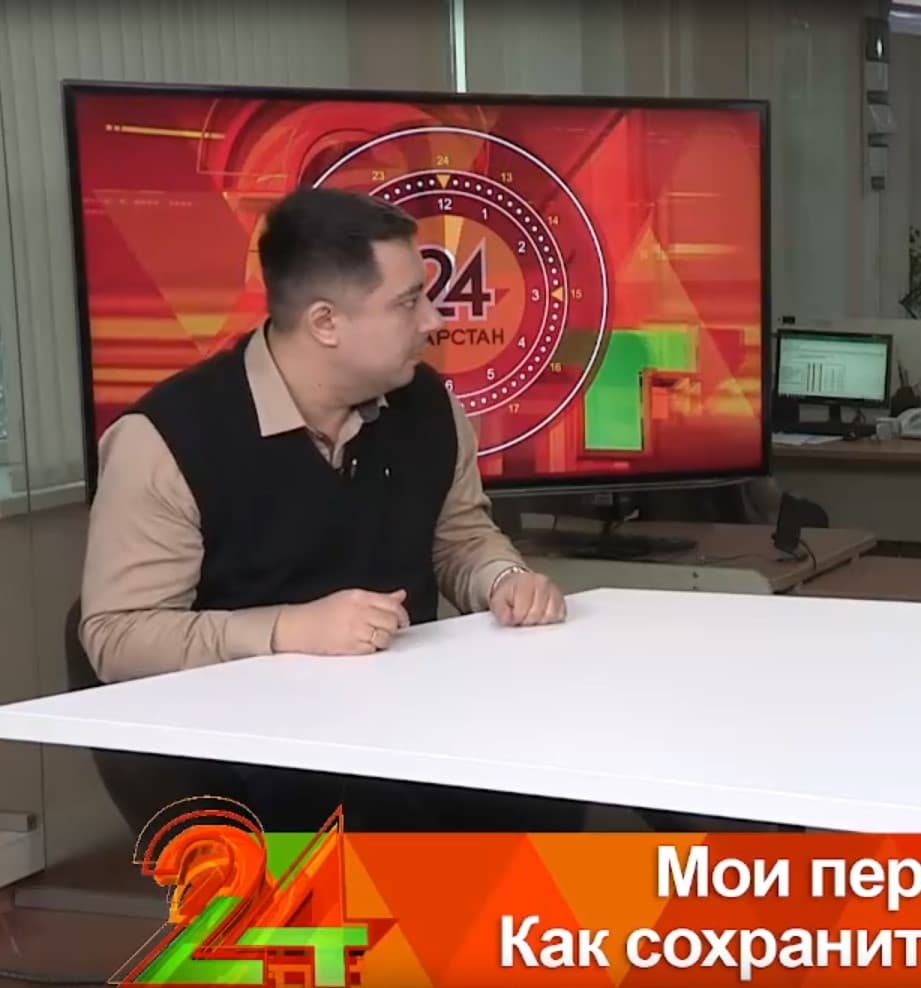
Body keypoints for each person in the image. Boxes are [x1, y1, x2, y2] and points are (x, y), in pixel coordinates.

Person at [78, 186, 574, 830]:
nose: (433, 320)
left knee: (545, 781)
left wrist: (503, 580)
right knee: (390, 825)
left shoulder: (426, 405)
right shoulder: (166, 439)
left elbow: (459, 536)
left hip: (414, 729)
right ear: (325, 323)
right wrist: (288, 630)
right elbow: (116, 636)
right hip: (256, 759)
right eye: (407, 303)